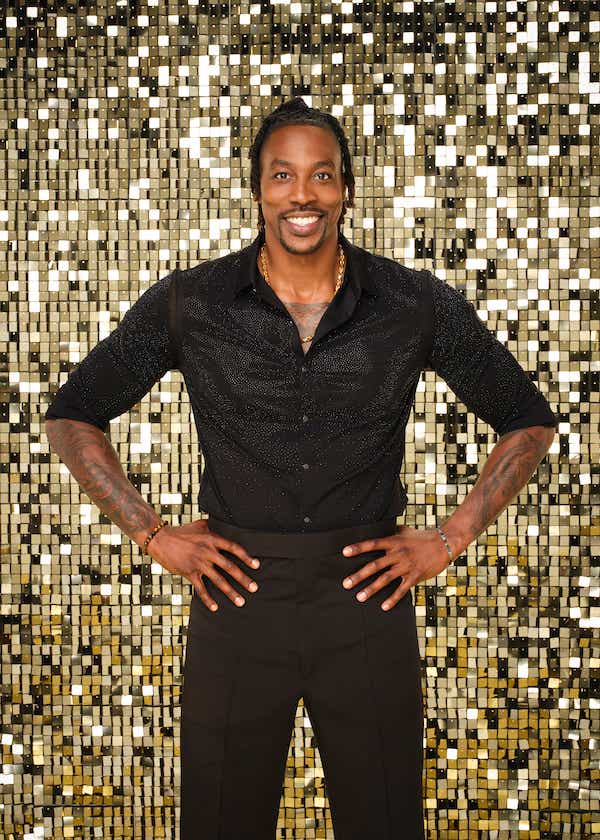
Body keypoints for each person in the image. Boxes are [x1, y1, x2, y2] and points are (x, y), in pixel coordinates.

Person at [44, 97, 557, 840]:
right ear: (257, 188)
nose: (302, 194)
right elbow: (72, 413)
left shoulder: (412, 304)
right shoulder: (193, 302)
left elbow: (527, 418)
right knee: (220, 822)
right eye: (282, 175)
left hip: (368, 602)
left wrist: (449, 538)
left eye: (321, 175)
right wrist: (153, 534)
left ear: (346, 187)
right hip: (236, 598)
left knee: (385, 822)